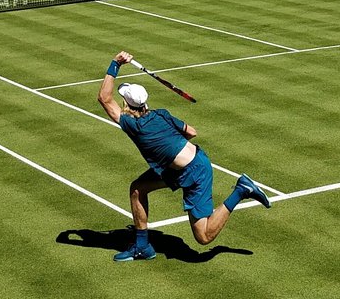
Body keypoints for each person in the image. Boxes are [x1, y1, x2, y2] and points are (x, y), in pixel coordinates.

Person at [97, 51, 270, 262]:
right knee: (138, 188)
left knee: (204, 236)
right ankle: (142, 247)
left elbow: (104, 98)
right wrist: (167, 141)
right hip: (179, 167)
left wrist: (115, 63)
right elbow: (191, 132)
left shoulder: (133, 125)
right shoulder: (161, 114)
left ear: (127, 105)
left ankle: (242, 190)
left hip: (196, 172)